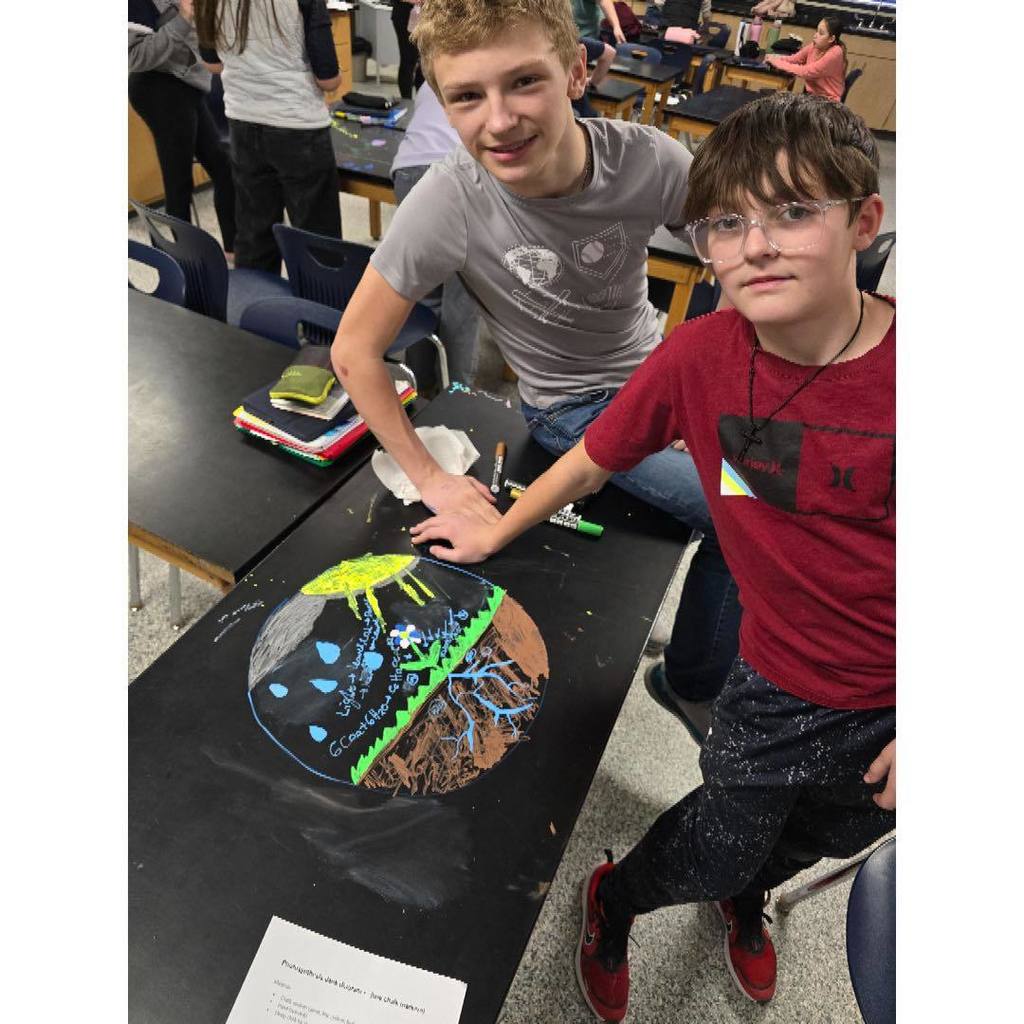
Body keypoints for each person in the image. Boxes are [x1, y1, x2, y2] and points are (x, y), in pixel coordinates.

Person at [410, 91, 895, 1021]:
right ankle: (617, 900)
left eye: (795, 212)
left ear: (863, 221)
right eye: (726, 223)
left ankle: (747, 888)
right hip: (781, 681)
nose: (756, 246)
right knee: (719, 837)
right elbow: (598, 454)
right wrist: (501, 526)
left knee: (819, 837)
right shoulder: (702, 356)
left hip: (899, 700)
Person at [330, 0, 741, 727]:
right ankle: (694, 684)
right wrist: (429, 478)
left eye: (524, 82)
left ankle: (714, 645)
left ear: (577, 72)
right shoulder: (450, 201)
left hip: (660, 380)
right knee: (747, 513)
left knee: (785, 488)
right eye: (466, 96)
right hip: (572, 410)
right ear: (442, 105)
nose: (498, 120)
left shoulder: (650, 160)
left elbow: (740, 260)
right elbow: (354, 350)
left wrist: (705, 385)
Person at [194, 0, 342, 272]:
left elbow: (212, 63)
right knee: (317, 242)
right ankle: (321, 312)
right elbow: (328, 79)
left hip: (243, 123)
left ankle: (256, 311)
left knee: (254, 236)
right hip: (298, 126)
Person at [128, 0, 237, 258]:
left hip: (189, 83)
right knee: (179, 182)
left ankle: (234, 248)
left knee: (223, 167)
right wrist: (184, 18)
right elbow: (135, 57)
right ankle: (183, 265)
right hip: (159, 88)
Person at [390, 83, 481, 391]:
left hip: (408, 170)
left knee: (422, 291)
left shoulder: (438, 69)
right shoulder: (496, 65)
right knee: (463, 297)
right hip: (460, 170)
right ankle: (458, 394)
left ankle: (419, 386)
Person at [765, 14, 847, 102]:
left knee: (778, 102)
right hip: (812, 97)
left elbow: (805, 72)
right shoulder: (814, 46)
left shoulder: (835, 53)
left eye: (821, 33)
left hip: (827, 102)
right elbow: (794, 59)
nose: (815, 35)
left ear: (831, 39)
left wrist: (777, 62)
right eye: (816, 31)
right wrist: (774, 58)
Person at [391, 0, 424, 100]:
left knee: (424, 62)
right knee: (408, 59)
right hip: (404, 15)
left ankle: (421, 99)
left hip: (425, 16)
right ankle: (406, 100)